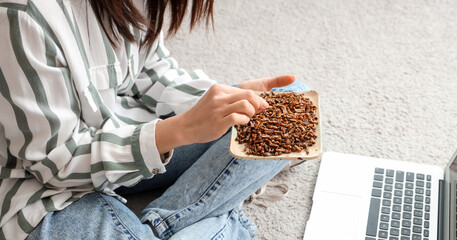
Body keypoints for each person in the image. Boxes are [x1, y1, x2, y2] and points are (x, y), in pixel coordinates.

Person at [0, 0, 310, 239]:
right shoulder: (23, 15)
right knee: (266, 140)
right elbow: (55, 164)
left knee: (293, 102)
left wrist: (221, 99)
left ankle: (169, 223)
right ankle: (224, 215)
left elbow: (151, 70)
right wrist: (176, 131)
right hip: (39, 193)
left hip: (119, 136)